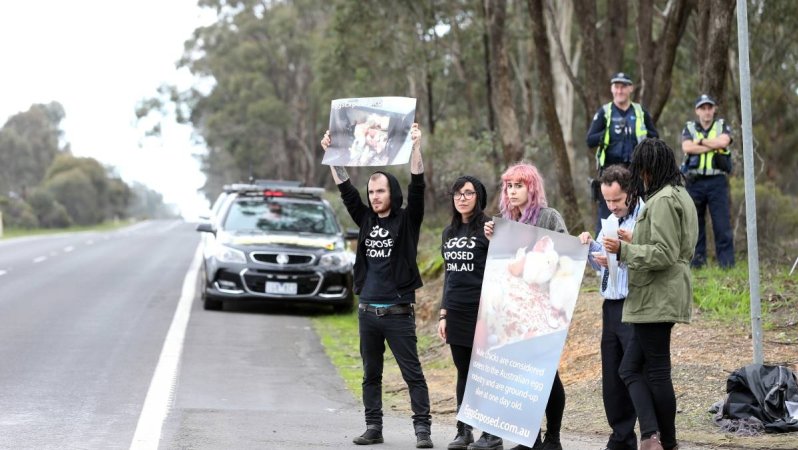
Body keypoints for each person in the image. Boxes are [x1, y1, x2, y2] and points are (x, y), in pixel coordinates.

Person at [320, 123, 433, 449]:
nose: (374, 196)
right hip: (368, 311)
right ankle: (373, 427)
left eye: (380, 191)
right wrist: (332, 153)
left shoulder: (408, 220)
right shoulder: (365, 219)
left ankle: (422, 431)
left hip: (398, 312)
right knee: (371, 375)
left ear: (391, 193)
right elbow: (345, 188)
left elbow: (418, 185)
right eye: (371, 192)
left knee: (413, 374)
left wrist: (415, 147)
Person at [602, 138, 698, 450]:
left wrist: (624, 249)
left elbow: (665, 253)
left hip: (656, 296)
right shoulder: (679, 194)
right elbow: (668, 242)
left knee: (652, 371)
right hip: (660, 294)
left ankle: (662, 441)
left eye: (641, 169)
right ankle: (656, 438)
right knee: (636, 368)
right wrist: (636, 237)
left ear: (649, 169)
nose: (639, 177)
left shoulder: (661, 200)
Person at [478, 162, 567, 450]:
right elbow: (499, 266)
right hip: (515, 308)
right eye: (509, 186)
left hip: (544, 307)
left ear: (532, 187)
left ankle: (553, 437)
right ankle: (531, 438)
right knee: (519, 373)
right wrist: (492, 238)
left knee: (546, 373)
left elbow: (565, 255)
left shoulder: (549, 217)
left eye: (519, 185)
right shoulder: (503, 222)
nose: (513, 191)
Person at [578, 165, 643, 450]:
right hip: (610, 304)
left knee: (634, 373)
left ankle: (651, 434)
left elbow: (651, 258)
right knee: (612, 376)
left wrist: (623, 253)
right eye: (607, 200)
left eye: (617, 200)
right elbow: (602, 266)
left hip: (636, 304)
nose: (612, 206)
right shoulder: (609, 221)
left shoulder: (645, 217)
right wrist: (593, 251)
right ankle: (621, 436)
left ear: (630, 193)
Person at [437, 176, 491, 450]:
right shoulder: (448, 233)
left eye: (468, 193)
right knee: (463, 372)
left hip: (483, 312)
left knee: (484, 372)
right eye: (458, 193)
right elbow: (449, 275)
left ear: (478, 197)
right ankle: (464, 430)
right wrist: (443, 313)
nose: (462, 198)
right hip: (456, 311)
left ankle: (491, 433)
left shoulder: (490, 229)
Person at [586, 72, 659, 234]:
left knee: (638, 211)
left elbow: (655, 138)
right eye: (616, 87)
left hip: (636, 171)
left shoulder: (640, 112)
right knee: (607, 212)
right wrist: (607, 134)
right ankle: (603, 252)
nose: (619, 90)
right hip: (610, 173)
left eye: (623, 87)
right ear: (612, 89)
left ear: (630, 89)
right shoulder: (604, 112)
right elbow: (590, 140)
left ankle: (637, 247)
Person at [681, 94, 735, 269]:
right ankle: (696, 263)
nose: (706, 112)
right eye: (702, 108)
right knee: (695, 224)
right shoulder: (689, 127)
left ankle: (726, 265)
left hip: (717, 181)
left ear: (714, 109)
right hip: (694, 182)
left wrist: (701, 141)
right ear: (697, 111)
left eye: (709, 108)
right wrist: (713, 145)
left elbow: (724, 141)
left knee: (722, 224)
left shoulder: (721, 126)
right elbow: (687, 147)